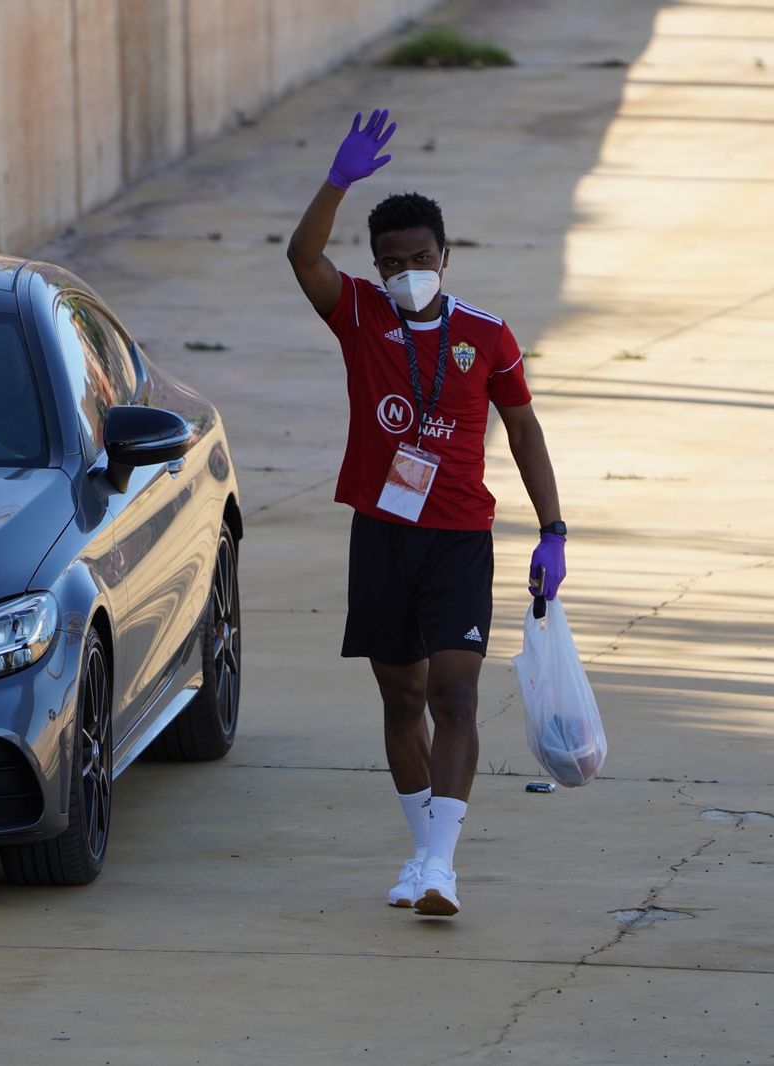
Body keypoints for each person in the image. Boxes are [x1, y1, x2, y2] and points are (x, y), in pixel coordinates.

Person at [286, 108, 567, 917]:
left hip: (457, 540)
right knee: (402, 701)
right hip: (380, 536)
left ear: (446, 256)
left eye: (420, 258)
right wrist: (337, 181)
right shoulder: (362, 318)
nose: (408, 271)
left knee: (456, 696)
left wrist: (552, 529)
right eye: (392, 263)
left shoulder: (487, 334)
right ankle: (421, 854)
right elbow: (303, 257)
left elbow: (523, 428)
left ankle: (442, 865)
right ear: (376, 269)